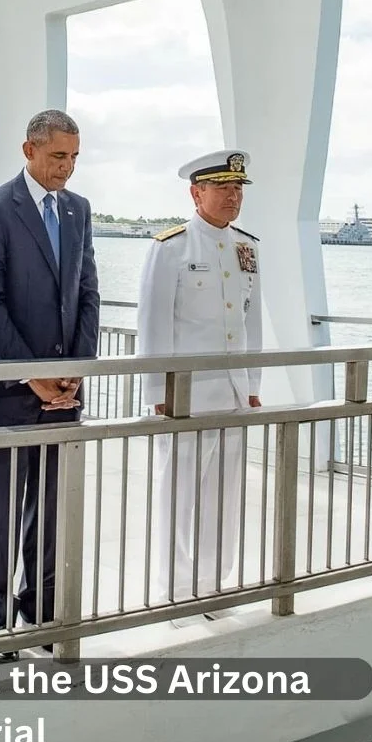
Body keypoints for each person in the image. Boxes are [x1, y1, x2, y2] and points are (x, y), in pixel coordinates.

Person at [0, 109, 100, 661]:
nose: (65, 168)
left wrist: (75, 370)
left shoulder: (79, 210)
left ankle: (40, 610)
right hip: (7, 389)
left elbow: (88, 291)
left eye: (72, 158)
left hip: (64, 389)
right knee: (0, 507)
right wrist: (32, 374)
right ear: (29, 150)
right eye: (56, 157)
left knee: (50, 507)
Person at [137, 150, 262, 621]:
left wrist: (252, 383)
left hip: (232, 395)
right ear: (196, 192)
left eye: (239, 189)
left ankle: (213, 587)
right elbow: (152, 326)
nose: (234, 197)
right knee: (180, 494)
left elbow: (252, 324)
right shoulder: (171, 248)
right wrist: (157, 394)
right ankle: (176, 591)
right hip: (185, 397)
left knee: (225, 496)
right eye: (223, 188)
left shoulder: (247, 247)